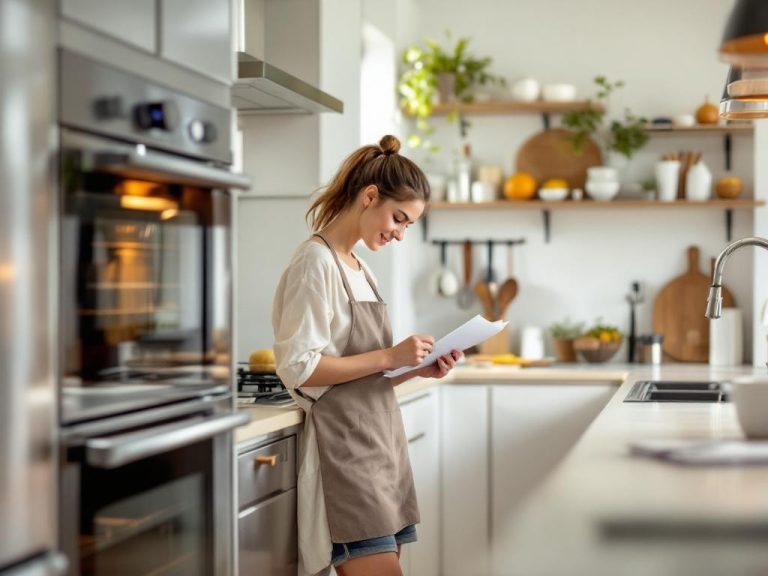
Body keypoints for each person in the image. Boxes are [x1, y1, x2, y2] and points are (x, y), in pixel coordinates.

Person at [273, 134, 462, 576]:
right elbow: (300, 368)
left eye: (408, 225)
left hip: (381, 449)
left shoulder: (361, 268)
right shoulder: (314, 264)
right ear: (369, 196)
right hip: (347, 456)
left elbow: (361, 377)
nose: (398, 233)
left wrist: (415, 370)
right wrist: (387, 357)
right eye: (398, 218)